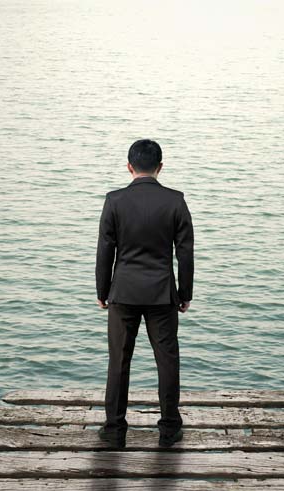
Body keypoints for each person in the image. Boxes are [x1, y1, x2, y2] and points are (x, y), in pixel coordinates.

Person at [95, 139, 194, 449]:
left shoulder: (114, 201)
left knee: (118, 361)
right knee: (167, 360)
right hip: (162, 294)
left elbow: (105, 250)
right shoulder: (175, 201)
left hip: (122, 292)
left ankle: (114, 429)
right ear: (160, 167)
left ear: (129, 166)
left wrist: (102, 289)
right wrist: (184, 292)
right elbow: (186, 252)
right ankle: (168, 429)